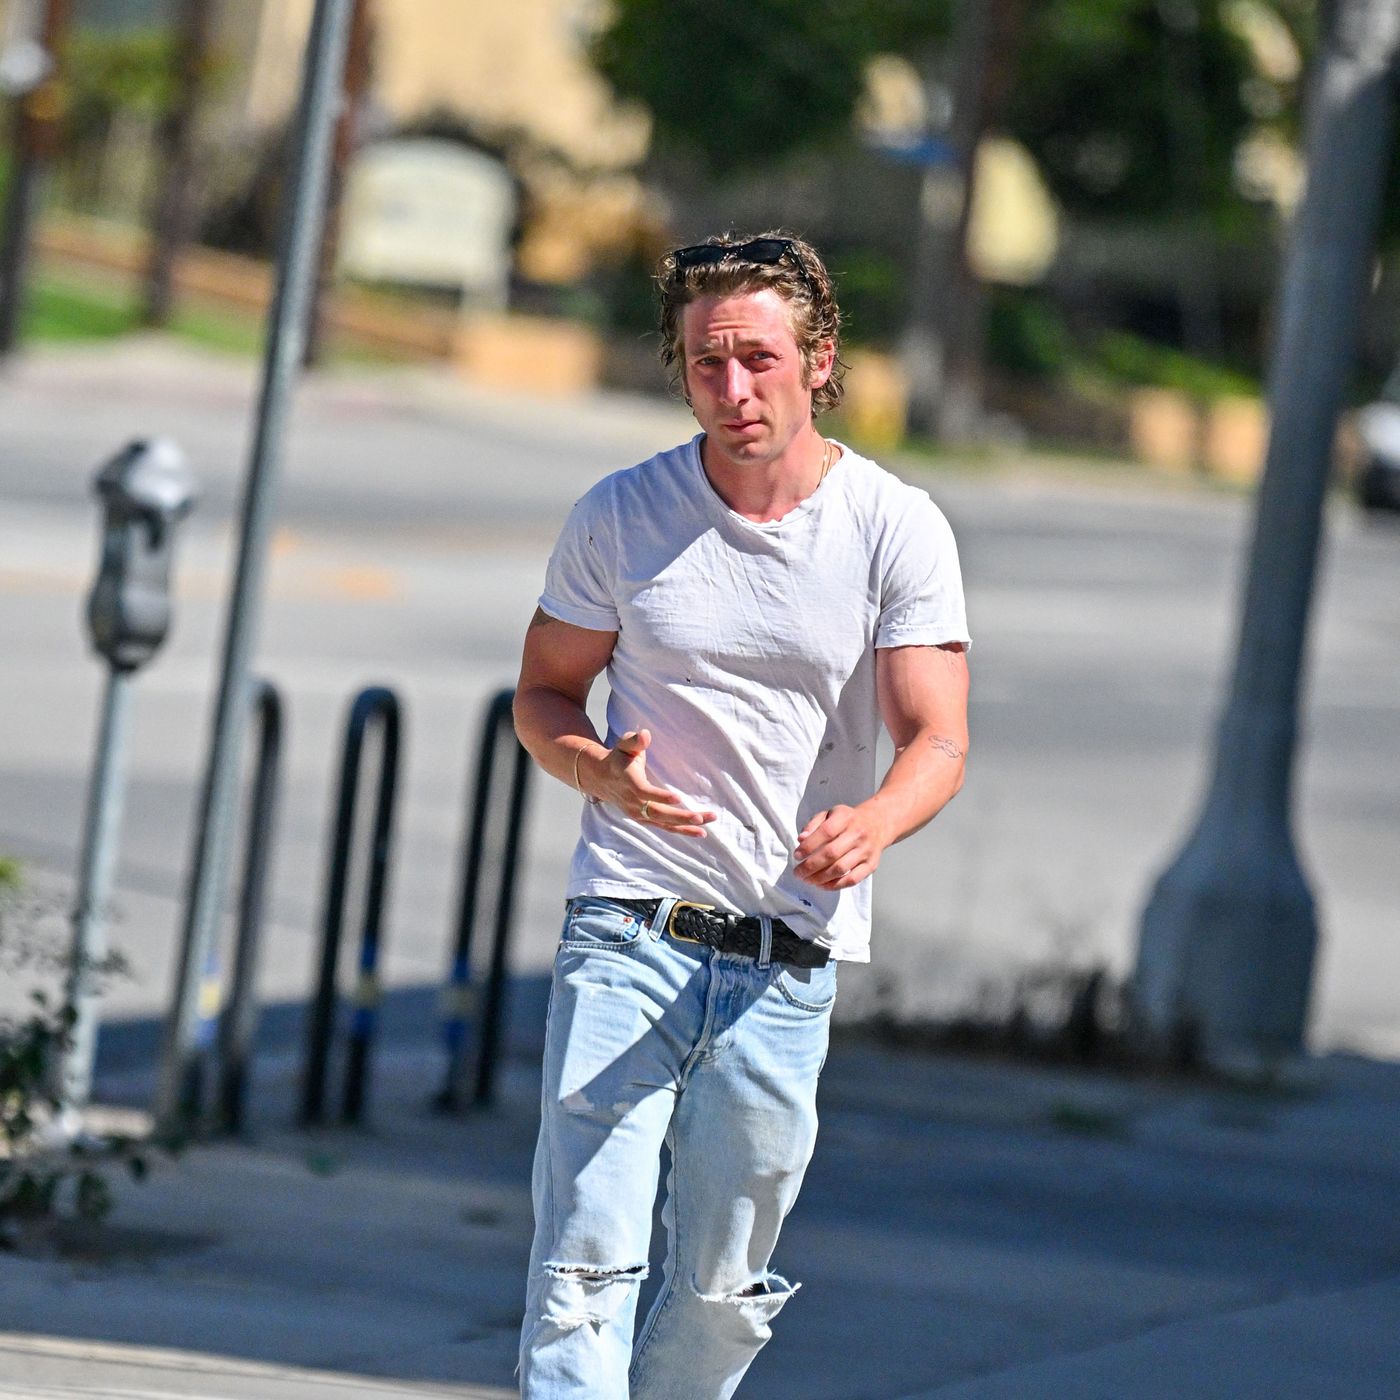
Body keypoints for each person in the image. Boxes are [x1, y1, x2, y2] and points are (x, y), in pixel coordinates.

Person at [513, 230, 971, 1399]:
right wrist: (593, 772)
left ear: (819, 359)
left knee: (719, 1296)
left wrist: (871, 822)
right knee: (583, 1263)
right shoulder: (622, 513)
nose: (732, 389)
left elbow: (937, 736)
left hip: (785, 957)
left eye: (757, 359)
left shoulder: (889, 525)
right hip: (626, 927)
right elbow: (545, 691)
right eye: (704, 363)